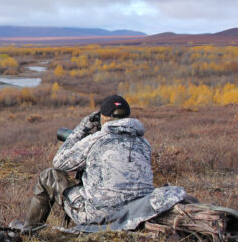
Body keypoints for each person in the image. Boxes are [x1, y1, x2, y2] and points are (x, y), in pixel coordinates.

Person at [24, 95, 155, 227]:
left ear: (102, 117)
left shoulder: (96, 139)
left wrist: (82, 128)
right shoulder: (144, 143)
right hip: (138, 214)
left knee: (49, 175)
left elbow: (59, 163)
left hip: (100, 218)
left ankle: (29, 230)